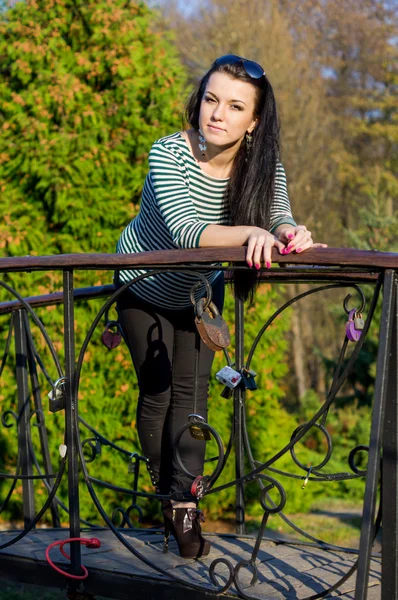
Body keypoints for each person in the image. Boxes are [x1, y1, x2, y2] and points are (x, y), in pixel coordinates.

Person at [115, 54, 327, 559]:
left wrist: (287, 232)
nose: (218, 113)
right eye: (211, 99)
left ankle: (185, 506)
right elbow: (190, 232)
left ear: (253, 121)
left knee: (193, 401)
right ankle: (166, 493)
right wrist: (251, 233)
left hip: (195, 295)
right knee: (159, 395)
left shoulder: (262, 165)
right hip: (142, 288)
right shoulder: (169, 153)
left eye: (235, 106)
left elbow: (277, 215)